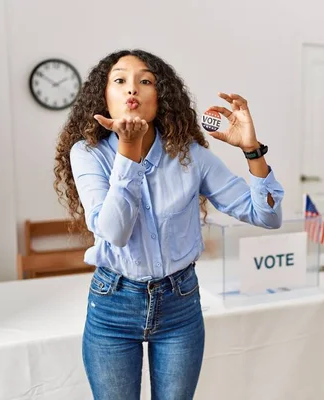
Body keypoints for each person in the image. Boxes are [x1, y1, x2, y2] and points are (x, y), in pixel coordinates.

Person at [53, 49, 284, 400]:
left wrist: (252, 150)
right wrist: (128, 151)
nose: (132, 89)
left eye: (145, 81)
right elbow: (114, 231)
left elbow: (267, 215)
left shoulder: (191, 156)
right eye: (120, 80)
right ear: (104, 96)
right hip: (113, 305)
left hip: (180, 305)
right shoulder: (88, 153)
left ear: (161, 97)